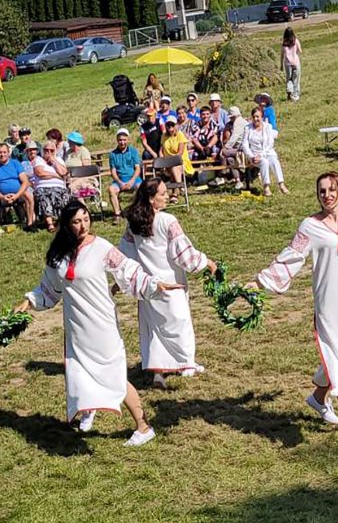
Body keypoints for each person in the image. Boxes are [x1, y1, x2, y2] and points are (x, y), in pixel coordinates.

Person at [16, 199, 182, 444]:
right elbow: (49, 289)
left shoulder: (101, 247)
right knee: (80, 373)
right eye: (76, 221)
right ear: (66, 225)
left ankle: (144, 426)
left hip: (102, 324)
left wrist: (153, 284)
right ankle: (88, 410)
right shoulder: (58, 255)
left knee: (113, 376)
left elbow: (128, 271)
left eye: (86, 219)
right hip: (76, 326)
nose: (83, 225)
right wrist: (29, 301)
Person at [250, 172, 338, 442]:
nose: (327, 195)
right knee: (336, 355)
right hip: (329, 304)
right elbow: (291, 255)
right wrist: (260, 282)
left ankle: (318, 398)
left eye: (331, 190)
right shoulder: (310, 226)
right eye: (322, 191)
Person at [120, 178, 216, 388]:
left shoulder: (133, 224)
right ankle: (186, 364)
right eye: (162, 194)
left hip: (148, 285)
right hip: (171, 283)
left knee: (155, 328)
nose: (167, 197)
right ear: (151, 198)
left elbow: (126, 255)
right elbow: (182, 253)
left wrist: (126, 280)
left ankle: (158, 374)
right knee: (179, 324)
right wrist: (205, 261)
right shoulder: (167, 221)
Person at [0, 143, 35, 230]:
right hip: (1, 196)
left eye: (4, 152)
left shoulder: (16, 164)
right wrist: (2, 197)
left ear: (8, 153)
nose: (2, 154)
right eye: (0, 152)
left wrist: (17, 195)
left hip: (18, 194)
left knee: (29, 195)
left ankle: (30, 224)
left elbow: (24, 181)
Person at [243, 106, 288, 196]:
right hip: (254, 155)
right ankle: (266, 186)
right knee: (264, 162)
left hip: (267, 152)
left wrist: (261, 154)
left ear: (262, 117)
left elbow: (270, 143)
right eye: (254, 117)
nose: (256, 119)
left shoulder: (268, 127)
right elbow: (245, 144)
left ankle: (281, 184)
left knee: (274, 161)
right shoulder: (248, 128)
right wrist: (251, 156)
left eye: (257, 117)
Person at [25, 141, 70, 232]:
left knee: (64, 196)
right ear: (42, 150)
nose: (49, 152)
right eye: (46, 150)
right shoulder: (39, 159)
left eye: (52, 150)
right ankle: (50, 224)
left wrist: (54, 162)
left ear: (55, 151)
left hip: (59, 186)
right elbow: (41, 173)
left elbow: (64, 173)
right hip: (42, 186)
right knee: (44, 197)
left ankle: (62, 221)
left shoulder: (58, 159)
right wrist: (56, 175)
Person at [108, 128, 142, 224]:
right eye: (120, 140)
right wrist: (120, 182)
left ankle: (137, 210)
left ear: (128, 139)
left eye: (124, 140)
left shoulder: (133, 151)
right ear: (117, 140)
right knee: (111, 189)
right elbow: (113, 171)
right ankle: (117, 214)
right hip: (120, 180)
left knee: (140, 187)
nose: (122, 142)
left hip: (133, 179)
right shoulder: (113, 154)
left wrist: (131, 181)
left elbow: (138, 169)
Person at [160, 115, 194, 202]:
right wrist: (162, 161)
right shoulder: (163, 136)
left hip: (180, 161)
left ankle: (178, 188)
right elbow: (161, 151)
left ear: (176, 125)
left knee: (174, 167)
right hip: (167, 162)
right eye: (168, 125)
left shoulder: (180, 135)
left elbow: (180, 153)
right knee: (172, 168)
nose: (170, 127)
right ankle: (177, 192)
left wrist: (170, 161)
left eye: (172, 125)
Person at [215, 105, 246, 189]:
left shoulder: (238, 123)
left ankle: (223, 173)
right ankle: (238, 180)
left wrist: (225, 148)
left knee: (223, 153)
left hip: (242, 149)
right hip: (238, 148)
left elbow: (234, 138)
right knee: (230, 159)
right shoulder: (241, 122)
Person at [63, 131, 97, 199]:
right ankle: (85, 195)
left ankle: (89, 191)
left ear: (74, 142)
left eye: (69, 141)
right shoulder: (68, 152)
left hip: (82, 177)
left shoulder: (83, 151)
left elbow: (87, 169)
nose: (68, 142)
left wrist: (74, 174)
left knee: (72, 188)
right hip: (69, 178)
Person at [281, 27, 302, 101]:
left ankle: (289, 91)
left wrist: (281, 65)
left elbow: (282, 55)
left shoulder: (284, 43)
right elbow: (300, 51)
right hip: (295, 62)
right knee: (296, 79)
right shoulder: (295, 41)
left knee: (289, 79)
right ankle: (295, 95)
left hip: (287, 63)